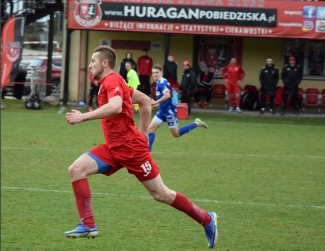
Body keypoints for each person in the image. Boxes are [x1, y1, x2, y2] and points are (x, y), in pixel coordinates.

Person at [64, 46, 218, 249]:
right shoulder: (113, 82)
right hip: (113, 148)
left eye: (93, 61)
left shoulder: (111, 80)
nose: (90, 65)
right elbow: (145, 100)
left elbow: (116, 106)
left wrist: (83, 116)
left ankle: (207, 220)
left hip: (132, 150)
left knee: (161, 194)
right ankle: (88, 224)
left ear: (105, 63)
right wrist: (144, 132)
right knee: (76, 169)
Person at [147, 64, 208, 151]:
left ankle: (196, 123)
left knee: (176, 134)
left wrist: (155, 102)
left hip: (169, 112)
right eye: (153, 73)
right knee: (150, 129)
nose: (155, 74)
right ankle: (147, 153)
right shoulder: (159, 82)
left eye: (157, 72)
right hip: (162, 111)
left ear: (161, 73)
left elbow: (167, 95)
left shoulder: (161, 82)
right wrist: (158, 105)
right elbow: (165, 99)